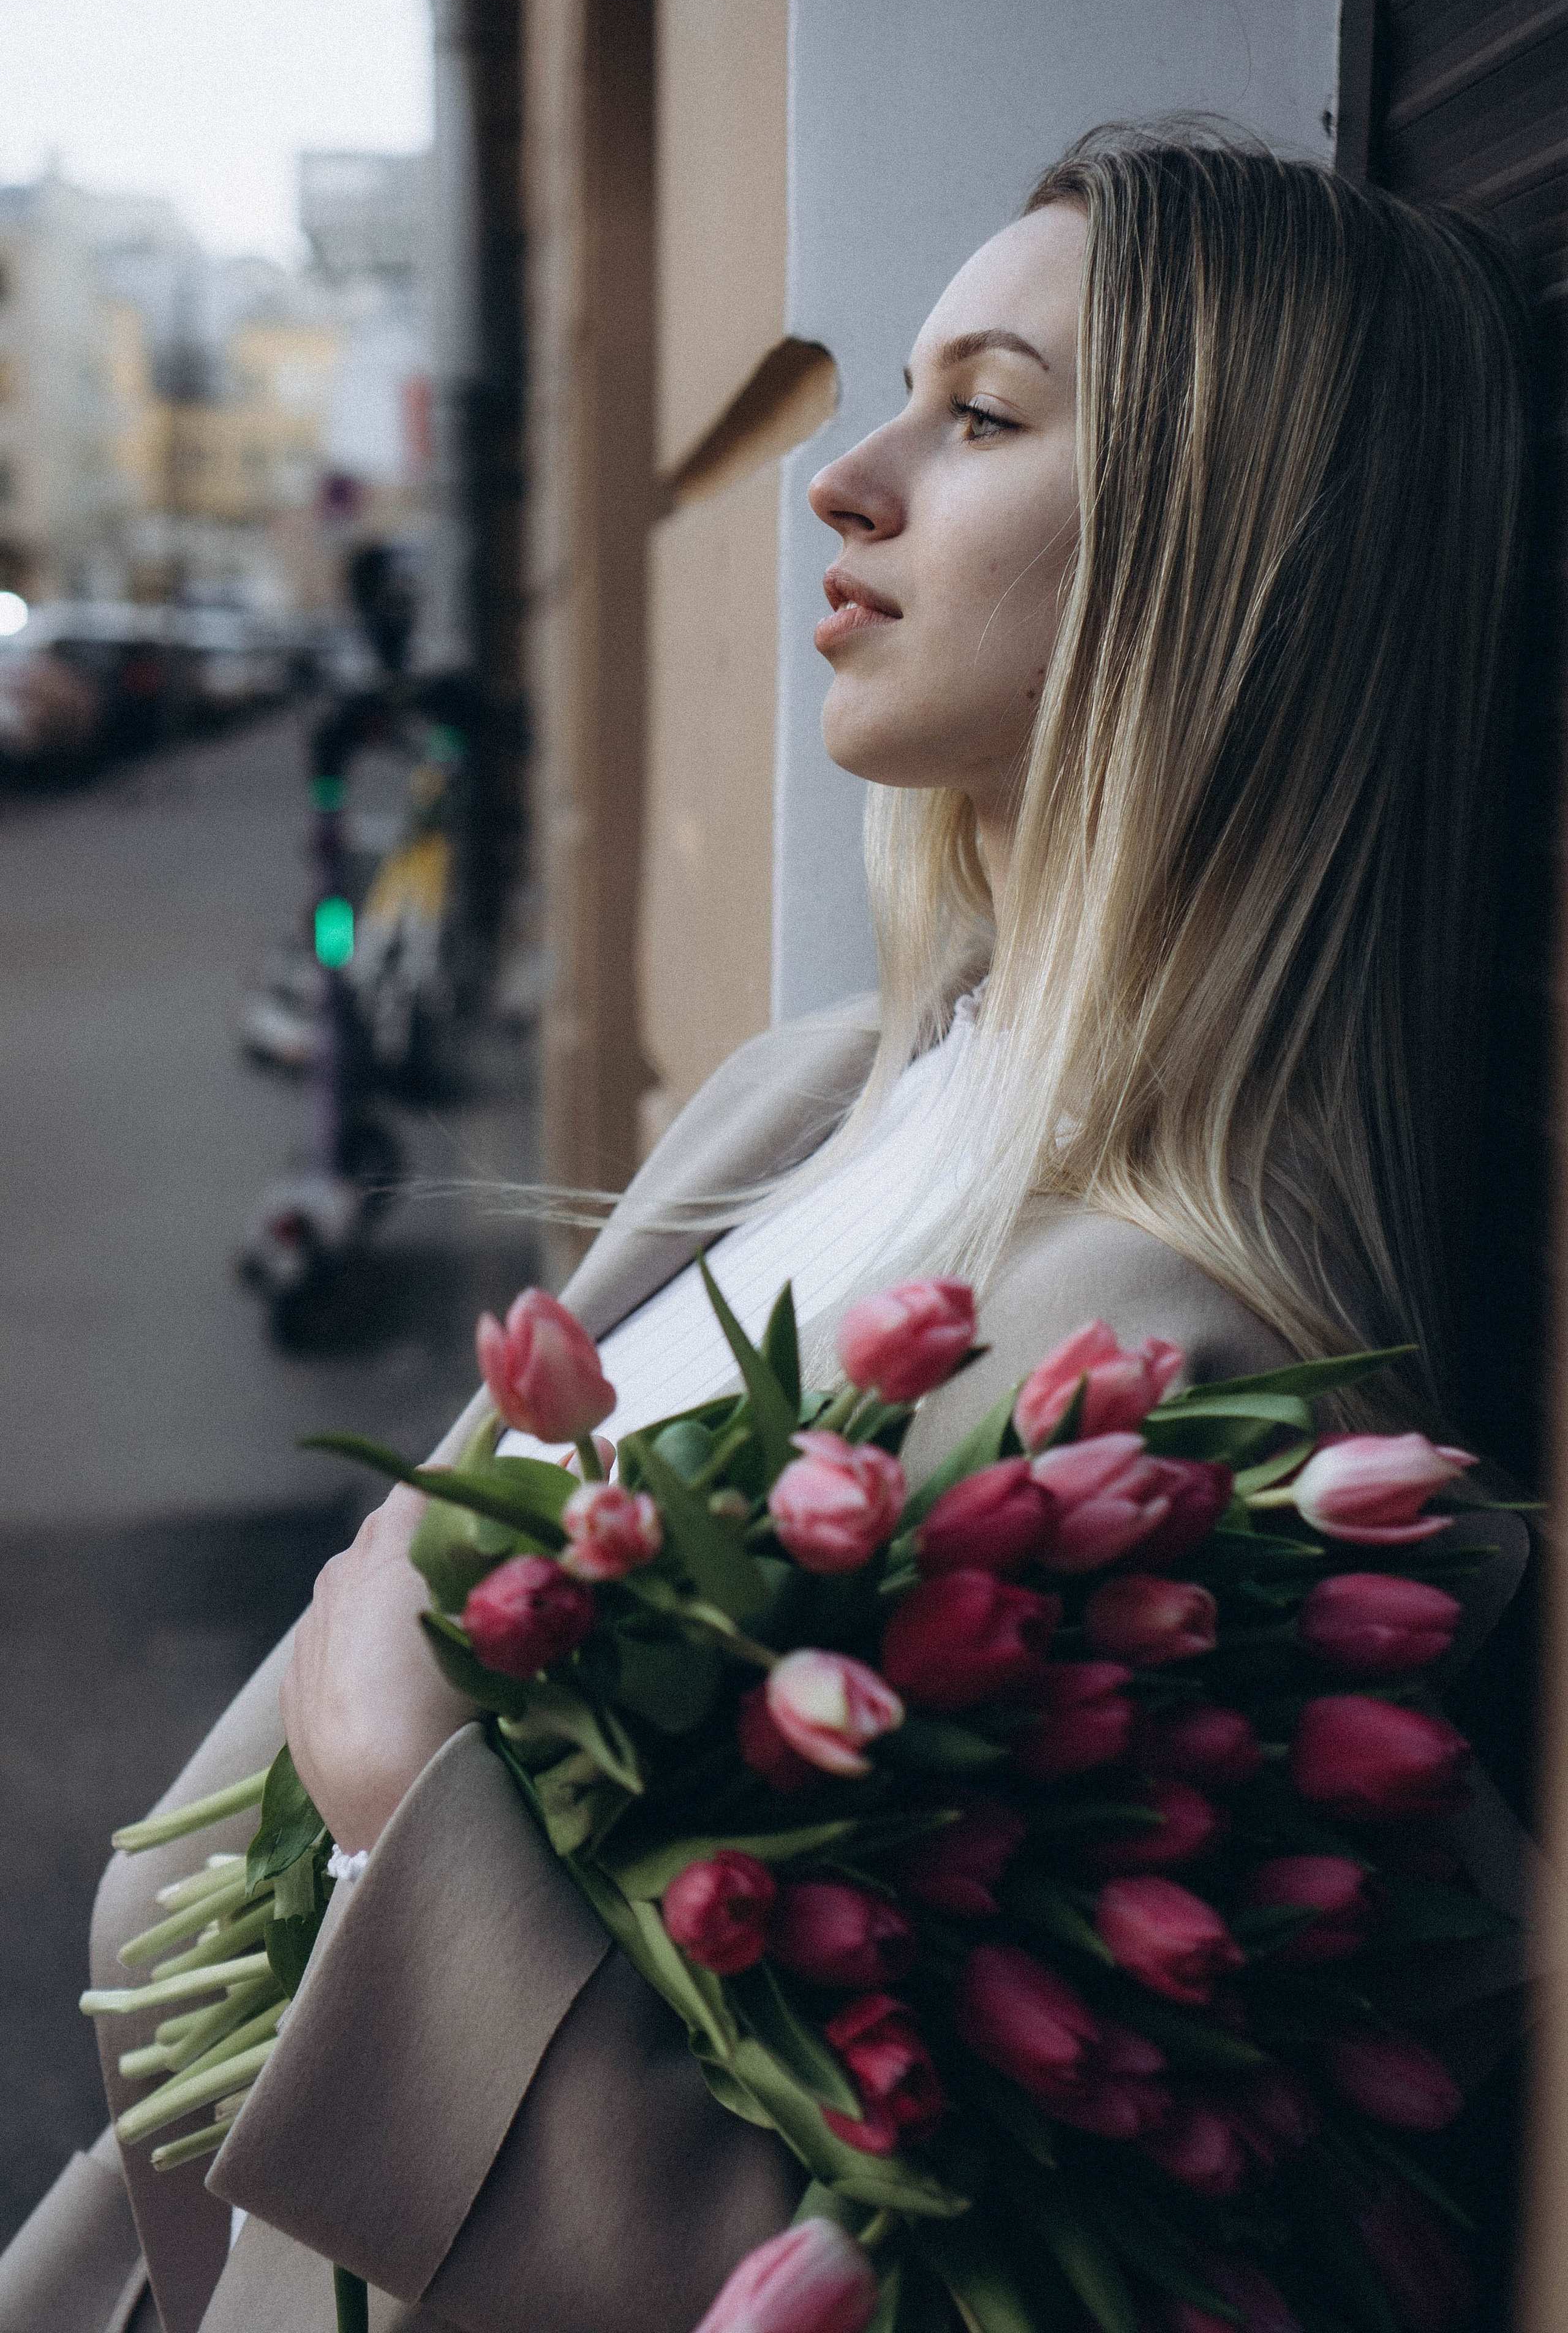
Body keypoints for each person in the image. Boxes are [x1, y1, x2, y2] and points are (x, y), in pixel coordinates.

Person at [1, 129, 1539, 2333]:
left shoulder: (1181, 1375)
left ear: (1234, 561)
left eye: (985, 416)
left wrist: (398, 1789)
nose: (847, 475)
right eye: (899, 393)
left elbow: (857, 2251)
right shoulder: (827, 1089)